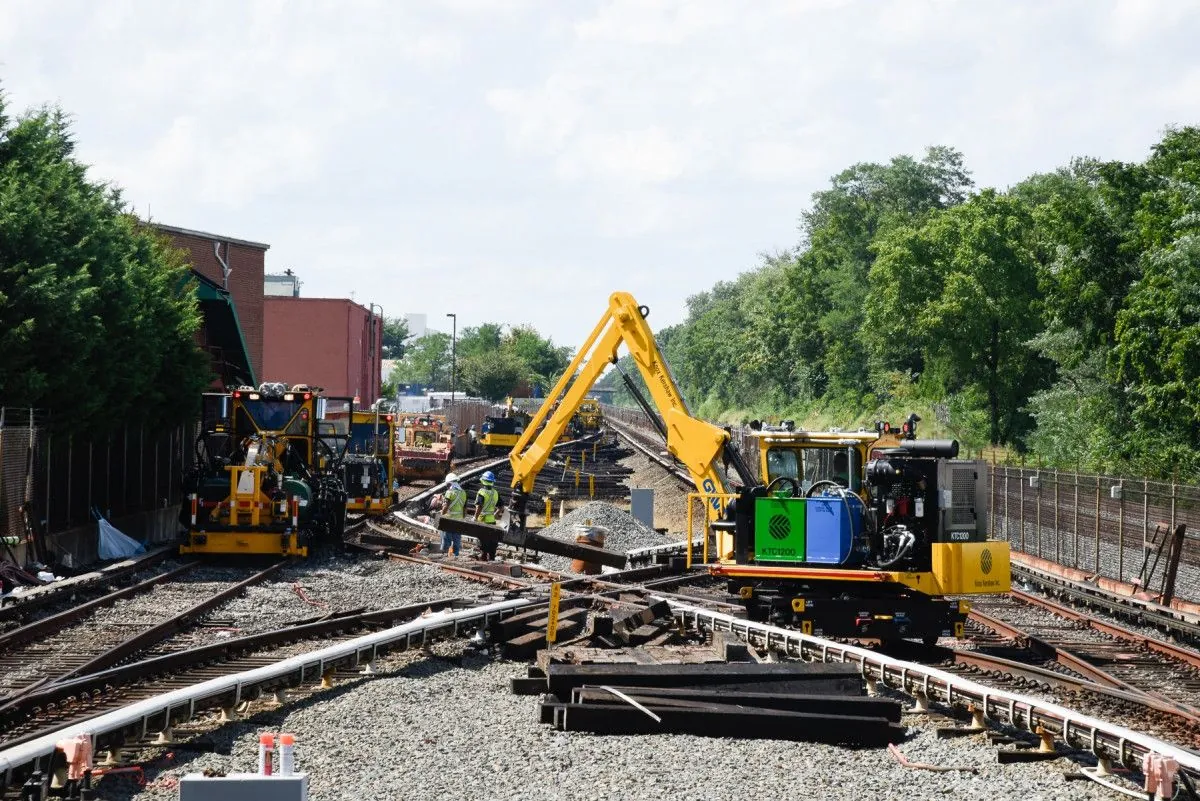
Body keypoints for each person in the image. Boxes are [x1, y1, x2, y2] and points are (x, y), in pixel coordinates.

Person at [473, 471, 501, 561]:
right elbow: (501, 507)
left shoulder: (482, 492)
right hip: (492, 520)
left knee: (483, 541)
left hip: (483, 520)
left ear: (483, 481)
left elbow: (479, 506)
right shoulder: (495, 492)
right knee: (492, 541)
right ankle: (492, 558)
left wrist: (475, 517)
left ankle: (484, 558)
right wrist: (495, 514)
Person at [439, 472, 466, 557]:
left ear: (449, 483)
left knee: (446, 538)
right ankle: (455, 555)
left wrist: (441, 515)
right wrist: (463, 518)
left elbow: (445, 506)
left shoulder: (449, 492)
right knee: (457, 539)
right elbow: (465, 508)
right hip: (459, 520)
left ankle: (445, 554)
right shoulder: (463, 493)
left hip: (449, 519)